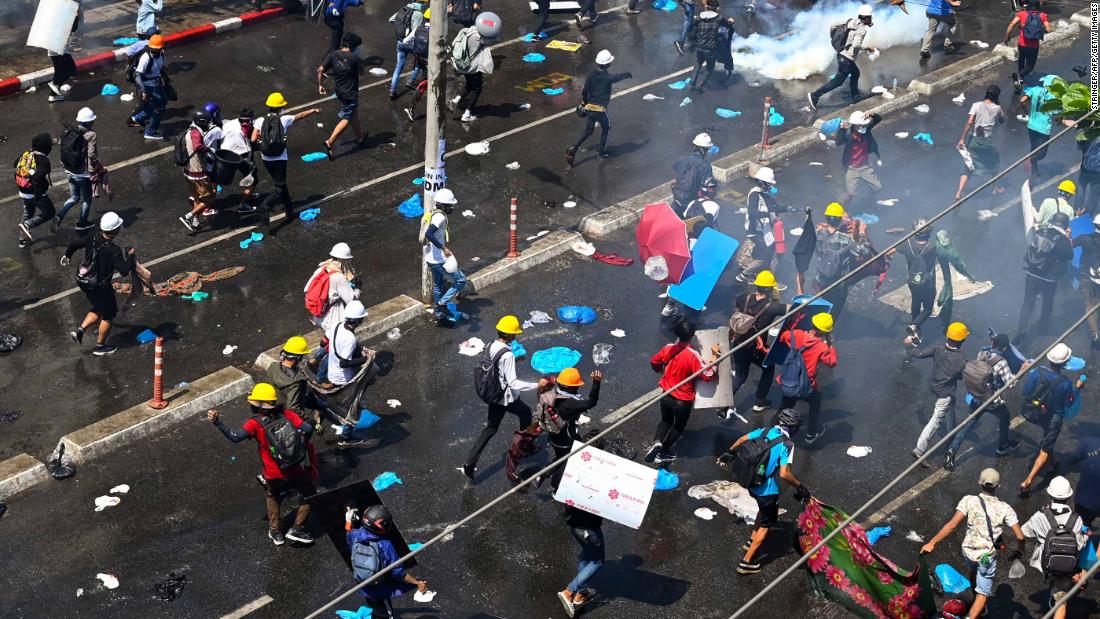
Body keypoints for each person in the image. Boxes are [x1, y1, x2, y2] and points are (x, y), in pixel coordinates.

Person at [207, 383, 317, 546]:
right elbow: (308, 428)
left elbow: (235, 436)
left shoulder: (254, 424)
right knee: (310, 494)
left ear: (259, 406)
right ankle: (297, 528)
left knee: (273, 496)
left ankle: (275, 532)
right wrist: (298, 446)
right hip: (294, 468)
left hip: (272, 473)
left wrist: (218, 422)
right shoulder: (287, 414)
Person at [921, 469, 1026, 619]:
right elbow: (1020, 536)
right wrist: (1020, 551)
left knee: (974, 571)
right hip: (986, 556)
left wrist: (932, 542)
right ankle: (974, 613)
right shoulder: (1005, 508)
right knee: (983, 594)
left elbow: (952, 525)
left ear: (979, 482)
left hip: (968, 553)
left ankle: (975, 596)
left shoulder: (969, 500)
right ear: (998, 486)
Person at [720, 408, 811, 574]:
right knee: (767, 524)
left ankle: (751, 540)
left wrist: (729, 452)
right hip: (766, 490)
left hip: (751, 483)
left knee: (763, 512)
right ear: (794, 427)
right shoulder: (787, 444)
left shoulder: (766, 430)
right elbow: (784, 473)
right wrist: (800, 487)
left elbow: (742, 438)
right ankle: (746, 562)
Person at [462, 315, 539, 481]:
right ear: (511, 335)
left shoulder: (491, 345)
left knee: (498, 425)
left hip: (493, 394)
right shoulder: (508, 355)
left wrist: (515, 360)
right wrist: (537, 385)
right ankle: (523, 448)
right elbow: (513, 383)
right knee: (521, 415)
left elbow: (497, 366)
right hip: (504, 397)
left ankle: (469, 463)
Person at [645, 319, 720, 463]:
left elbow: (654, 362)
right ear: (691, 336)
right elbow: (708, 375)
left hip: (666, 394)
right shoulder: (692, 355)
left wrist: (660, 371)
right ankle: (663, 452)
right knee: (679, 426)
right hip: (682, 400)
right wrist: (715, 356)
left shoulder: (668, 348)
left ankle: (657, 442)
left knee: (665, 420)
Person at [945, 333, 1020, 471]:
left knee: (968, 424)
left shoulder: (983, 351)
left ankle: (952, 450)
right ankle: (1002, 446)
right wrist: (1022, 370)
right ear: (1004, 348)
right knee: (1005, 417)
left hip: (976, 396)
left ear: (993, 343)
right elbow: (1011, 383)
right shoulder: (1001, 362)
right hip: (991, 400)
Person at [62, 212, 134, 355]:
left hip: (85, 282)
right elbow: (125, 270)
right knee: (108, 315)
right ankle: (100, 347)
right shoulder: (113, 250)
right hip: (101, 286)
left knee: (98, 307)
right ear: (115, 230)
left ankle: (80, 331)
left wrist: (67, 255)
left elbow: (75, 243)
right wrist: (130, 256)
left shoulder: (93, 236)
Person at [1020, 476, 1090, 619]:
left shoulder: (1040, 515)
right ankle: (1057, 595)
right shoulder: (1076, 518)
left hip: (1045, 563)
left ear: (1050, 494)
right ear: (1069, 496)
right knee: (1061, 602)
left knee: (1052, 573)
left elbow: (1024, 531)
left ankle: (1053, 587)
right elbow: (1080, 543)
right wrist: (1087, 534)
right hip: (1067, 566)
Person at [1019, 343, 1083, 497]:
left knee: (1048, 438)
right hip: (1054, 417)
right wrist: (1078, 387)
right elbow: (1068, 402)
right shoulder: (1065, 383)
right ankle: (1027, 481)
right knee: (1045, 448)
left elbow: (1025, 391)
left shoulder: (1037, 372)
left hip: (1038, 414)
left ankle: (1053, 462)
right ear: (1065, 363)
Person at [345, 505, 428, 618]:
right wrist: (416, 582)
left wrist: (348, 520)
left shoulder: (355, 535)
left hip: (363, 583)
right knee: (386, 614)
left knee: (375, 606)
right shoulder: (385, 544)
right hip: (379, 588)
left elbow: (348, 533)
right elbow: (398, 573)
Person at [251, 93, 321, 225]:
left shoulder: (260, 121)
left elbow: (253, 139)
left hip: (266, 157)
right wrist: (312, 110)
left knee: (281, 184)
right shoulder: (284, 119)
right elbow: (300, 115)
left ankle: (289, 209)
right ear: (281, 107)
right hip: (280, 158)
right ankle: (265, 204)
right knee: (280, 186)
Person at [725, 270, 787, 417]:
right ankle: (760, 402)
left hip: (739, 341)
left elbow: (735, 302)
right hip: (756, 348)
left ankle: (724, 405)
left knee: (740, 375)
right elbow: (793, 309)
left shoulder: (745, 297)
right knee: (768, 368)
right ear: (771, 288)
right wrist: (777, 299)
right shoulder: (772, 307)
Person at [905, 321, 968, 461]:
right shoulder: (961, 358)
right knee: (935, 421)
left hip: (935, 386)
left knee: (951, 408)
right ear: (962, 340)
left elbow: (919, 353)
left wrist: (909, 345)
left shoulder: (938, 346)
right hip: (945, 393)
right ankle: (919, 449)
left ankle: (951, 432)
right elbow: (960, 376)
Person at [777, 312, 837, 443]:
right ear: (825, 332)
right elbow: (832, 362)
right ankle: (811, 433)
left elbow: (783, 336)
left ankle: (779, 428)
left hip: (789, 379)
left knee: (787, 403)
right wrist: (831, 345)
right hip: (806, 384)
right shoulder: (823, 347)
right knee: (815, 404)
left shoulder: (796, 334)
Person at [566, 50, 632, 166]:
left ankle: (574, 148)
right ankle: (602, 153)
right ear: (607, 64)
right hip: (600, 109)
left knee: (588, 132)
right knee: (606, 128)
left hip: (589, 107)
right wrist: (628, 74)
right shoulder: (608, 77)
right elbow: (617, 77)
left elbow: (585, 91)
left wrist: (583, 103)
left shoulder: (591, 75)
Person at [543, 368, 603, 491]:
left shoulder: (552, 394)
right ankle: (555, 485)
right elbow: (591, 402)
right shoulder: (570, 404)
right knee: (568, 463)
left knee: (560, 458)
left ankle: (542, 474)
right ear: (572, 388)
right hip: (566, 441)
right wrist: (596, 383)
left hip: (553, 436)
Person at [807, 4, 876, 110]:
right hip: (846, 59)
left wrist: (832, 37)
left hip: (842, 54)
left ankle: (855, 97)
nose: (871, 19)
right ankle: (814, 96)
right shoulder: (862, 30)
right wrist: (868, 48)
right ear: (866, 17)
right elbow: (856, 45)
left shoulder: (850, 21)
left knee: (855, 73)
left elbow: (833, 26)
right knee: (837, 82)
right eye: (870, 17)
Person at [1018, 212, 1073, 336]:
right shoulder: (1063, 240)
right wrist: (1068, 237)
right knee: (1047, 303)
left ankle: (1020, 331)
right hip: (1049, 279)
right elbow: (1070, 256)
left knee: (1027, 303)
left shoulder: (1039, 232)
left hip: (1032, 274)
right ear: (1065, 225)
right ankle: (1043, 328)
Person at [813, 202, 870, 319]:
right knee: (834, 309)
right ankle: (827, 330)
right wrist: (862, 232)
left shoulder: (818, 232)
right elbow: (864, 251)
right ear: (840, 220)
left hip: (821, 278)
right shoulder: (846, 239)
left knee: (820, 307)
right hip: (838, 283)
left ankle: (816, 325)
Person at [421, 188, 468, 323]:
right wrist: (443, 248)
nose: (451, 207)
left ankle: (439, 315)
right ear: (443, 205)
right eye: (449, 205)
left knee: (438, 285)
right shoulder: (440, 216)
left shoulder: (432, 213)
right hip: (438, 259)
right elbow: (429, 234)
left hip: (430, 258)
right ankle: (441, 304)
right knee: (461, 280)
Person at [319, 33, 368, 160]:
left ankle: (360, 136)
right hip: (350, 93)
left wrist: (320, 85)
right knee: (347, 117)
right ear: (353, 46)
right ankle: (329, 142)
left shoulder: (333, 54)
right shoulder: (355, 58)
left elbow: (320, 70)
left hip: (339, 91)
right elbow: (362, 73)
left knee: (353, 113)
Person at [56, 107, 102, 232]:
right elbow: (91, 155)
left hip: (69, 170)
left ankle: (59, 216)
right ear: (88, 122)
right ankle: (82, 223)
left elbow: (62, 147)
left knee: (74, 198)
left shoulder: (70, 131)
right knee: (87, 199)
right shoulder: (91, 134)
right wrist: (94, 169)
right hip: (82, 174)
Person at [267, 336, 328, 429]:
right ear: (298, 357)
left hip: (277, 408)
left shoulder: (273, 366)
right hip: (290, 417)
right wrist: (310, 422)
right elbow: (293, 409)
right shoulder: (296, 381)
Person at [956, 86, 1006, 200]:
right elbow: (1002, 120)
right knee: (993, 164)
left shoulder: (976, 105)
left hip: (973, 140)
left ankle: (959, 193)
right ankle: (996, 188)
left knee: (968, 166)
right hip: (986, 142)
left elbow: (969, 122)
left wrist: (962, 138)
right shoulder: (997, 108)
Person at [558, 501, 604, 618]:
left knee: (587, 554)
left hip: (574, 526)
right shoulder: (600, 487)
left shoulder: (575, 483)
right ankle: (569, 591)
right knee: (597, 561)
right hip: (590, 530)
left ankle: (581, 593)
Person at [178, 110, 221, 232]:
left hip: (188, 171)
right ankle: (188, 216)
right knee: (209, 198)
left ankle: (195, 222)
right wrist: (210, 150)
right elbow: (197, 146)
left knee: (197, 198)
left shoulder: (191, 129)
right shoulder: (196, 133)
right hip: (197, 173)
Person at [448, 19, 495, 123]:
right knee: (477, 89)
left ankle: (455, 100)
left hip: (463, 66)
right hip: (473, 68)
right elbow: (493, 38)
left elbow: (453, 43)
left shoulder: (464, 31)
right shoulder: (478, 37)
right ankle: (467, 114)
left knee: (469, 85)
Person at [13, 133, 55, 249]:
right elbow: (38, 176)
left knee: (28, 212)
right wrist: (33, 173)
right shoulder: (43, 160)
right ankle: (28, 225)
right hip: (36, 193)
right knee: (50, 212)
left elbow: (15, 164)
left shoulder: (26, 153)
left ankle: (23, 239)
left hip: (23, 191)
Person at [836, 110, 882, 207]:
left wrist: (872, 114)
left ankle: (868, 202)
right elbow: (838, 143)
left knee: (877, 187)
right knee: (851, 193)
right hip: (851, 168)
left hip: (865, 166)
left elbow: (878, 118)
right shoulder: (848, 133)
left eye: (864, 125)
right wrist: (841, 130)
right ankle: (839, 206)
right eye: (860, 125)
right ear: (854, 125)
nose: (863, 127)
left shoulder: (867, 129)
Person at [128, 34, 168, 140]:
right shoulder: (146, 57)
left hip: (156, 82)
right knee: (159, 107)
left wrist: (165, 78)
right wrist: (143, 90)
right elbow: (137, 75)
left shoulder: (162, 54)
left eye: (157, 49)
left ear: (161, 48)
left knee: (162, 102)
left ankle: (138, 118)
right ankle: (150, 132)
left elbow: (162, 67)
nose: (154, 51)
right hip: (147, 85)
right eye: (152, 49)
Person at [1003, 0, 1050, 90]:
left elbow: (1011, 24)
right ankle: (1019, 75)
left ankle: (1020, 77)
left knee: (1021, 58)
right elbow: (1048, 29)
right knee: (1030, 66)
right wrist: (1039, 29)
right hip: (1033, 46)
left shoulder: (1022, 13)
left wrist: (1007, 36)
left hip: (1022, 43)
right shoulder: (1043, 15)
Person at [220, 108, 259, 211]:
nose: (246, 123)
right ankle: (243, 204)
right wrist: (252, 165)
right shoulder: (239, 133)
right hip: (238, 155)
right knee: (253, 180)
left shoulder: (228, 124)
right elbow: (245, 151)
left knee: (217, 178)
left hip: (224, 154)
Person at [1020, 75, 1058, 177]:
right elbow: (1056, 114)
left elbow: (1022, 100)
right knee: (1041, 153)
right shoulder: (1052, 96)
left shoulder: (1034, 89)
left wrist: (1027, 113)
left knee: (1034, 147)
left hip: (1031, 125)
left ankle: (1034, 171)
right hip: (1043, 128)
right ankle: (1030, 160)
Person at [671, 133, 715, 213]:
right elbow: (709, 187)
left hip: (677, 198)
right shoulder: (705, 166)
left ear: (694, 147)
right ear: (704, 150)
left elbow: (676, 172)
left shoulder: (683, 160)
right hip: (692, 202)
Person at [389, 2, 425, 99]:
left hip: (400, 42)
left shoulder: (404, 9)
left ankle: (392, 90)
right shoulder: (419, 14)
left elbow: (391, 20)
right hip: (411, 44)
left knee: (398, 67)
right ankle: (411, 80)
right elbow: (416, 31)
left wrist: (402, 29)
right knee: (419, 62)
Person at [45, 8, 81, 102]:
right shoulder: (64, 12)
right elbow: (72, 28)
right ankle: (54, 84)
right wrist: (76, 17)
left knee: (59, 71)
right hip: (58, 46)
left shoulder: (58, 12)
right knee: (70, 69)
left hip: (56, 45)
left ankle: (53, 95)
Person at [1068, 435, 1100, 529]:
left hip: (1083, 501)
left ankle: (1084, 534)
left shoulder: (1090, 441)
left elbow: (1070, 461)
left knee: (1082, 525)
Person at [1077, 213, 1100, 347]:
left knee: (1089, 305)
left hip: (1086, 275)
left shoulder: (1085, 238)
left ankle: (1094, 333)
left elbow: (1069, 245)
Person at [688, 10, 721, 94]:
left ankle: (692, 84)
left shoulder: (699, 20)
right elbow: (729, 24)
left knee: (698, 65)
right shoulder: (718, 20)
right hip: (710, 49)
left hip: (699, 47)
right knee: (709, 68)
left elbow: (691, 35)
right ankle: (699, 87)